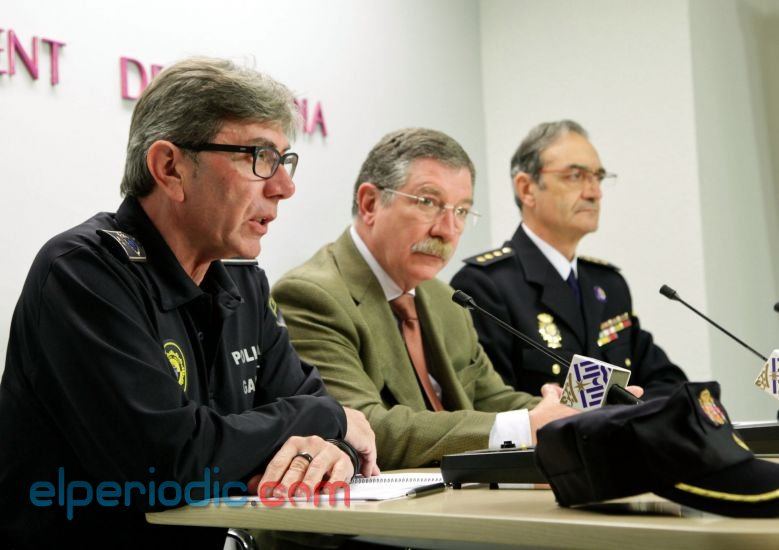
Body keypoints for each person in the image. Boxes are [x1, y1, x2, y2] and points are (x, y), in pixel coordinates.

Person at [0, 57, 377, 549]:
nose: (284, 187)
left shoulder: (243, 282)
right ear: (170, 168)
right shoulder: (82, 271)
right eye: (258, 157)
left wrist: (332, 445)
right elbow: (167, 463)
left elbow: (311, 412)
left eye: (284, 160)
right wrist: (331, 420)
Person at [272, 128, 584, 471]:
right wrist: (526, 426)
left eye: (461, 211)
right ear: (370, 203)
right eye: (428, 203)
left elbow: (491, 398)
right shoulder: (312, 296)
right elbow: (360, 428)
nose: (447, 230)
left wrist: (569, 414)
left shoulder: (446, 299)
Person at [451, 120, 686, 398]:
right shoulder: (485, 287)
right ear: (527, 189)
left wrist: (632, 411)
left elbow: (668, 383)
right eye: (576, 176)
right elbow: (491, 403)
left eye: (598, 177)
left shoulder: (608, 285)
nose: (594, 193)